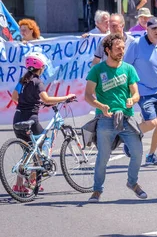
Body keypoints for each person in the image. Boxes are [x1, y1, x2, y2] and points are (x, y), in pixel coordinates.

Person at [85, 33, 147, 202]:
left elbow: (136, 94)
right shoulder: (97, 70)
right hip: (105, 119)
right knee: (103, 157)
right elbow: (88, 95)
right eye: (117, 48)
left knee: (137, 153)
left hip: (127, 118)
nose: (121, 51)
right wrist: (100, 106)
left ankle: (132, 183)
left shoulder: (128, 69)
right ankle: (97, 190)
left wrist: (131, 100)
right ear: (107, 50)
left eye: (122, 48)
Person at [11, 52, 76, 194]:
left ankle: (20, 185)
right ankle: (32, 180)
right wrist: (66, 97)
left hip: (18, 117)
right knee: (42, 147)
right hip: (31, 119)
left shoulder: (23, 81)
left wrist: (30, 101)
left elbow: (15, 97)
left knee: (28, 151)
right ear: (41, 67)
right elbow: (46, 99)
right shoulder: (37, 82)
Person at [124, 17, 157, 166]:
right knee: (151, 122)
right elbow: (126, 67)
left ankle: (151, 155)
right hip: (144, 91)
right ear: (147, 29)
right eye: (154, 29)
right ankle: (129, 137)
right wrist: (129, 90)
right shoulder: (136, 45)